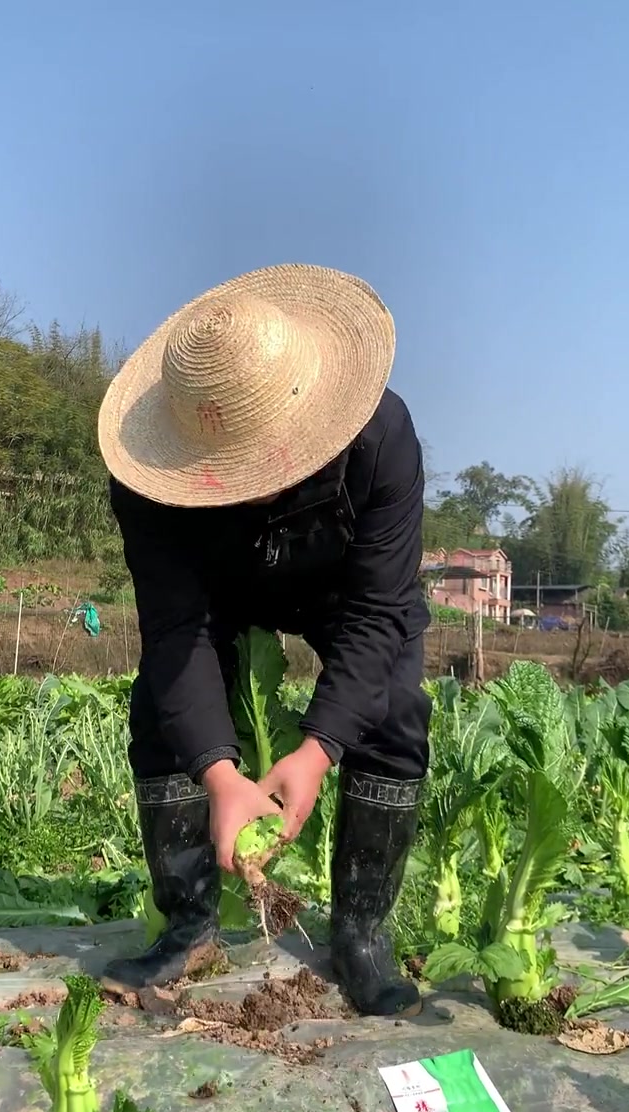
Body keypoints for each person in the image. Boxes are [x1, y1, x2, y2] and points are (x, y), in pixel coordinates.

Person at [97, 264, 432, 1016]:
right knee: (162, 710)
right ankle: (188, 928)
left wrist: (317, 750)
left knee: (395, 707)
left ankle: (360, 934)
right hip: (216, 592)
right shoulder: (146, 480)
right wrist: (220, 773)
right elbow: (177, 627)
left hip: (344, 591)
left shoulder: (382, 438)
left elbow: (380, 613)